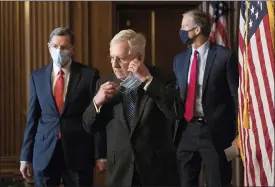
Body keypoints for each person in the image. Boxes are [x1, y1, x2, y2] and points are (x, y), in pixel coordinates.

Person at [83, 29, 182, 187]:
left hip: (157, 172)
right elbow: (89, 126)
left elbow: (176, 112)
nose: (114, 65)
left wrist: (147, 80)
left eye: (120, 59)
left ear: (139, 58)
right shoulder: (105, 83)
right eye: (111, 58)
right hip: (120, 173)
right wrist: (97, 101)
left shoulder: (164, 78)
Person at [20, 27, 106, 187]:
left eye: (64, 47)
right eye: (55, 46)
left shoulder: (89, 74)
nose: (59, 51)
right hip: (44, 151)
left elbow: (96, 116)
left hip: (78, 152)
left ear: (72, 49)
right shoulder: (37, 77)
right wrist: (25, 156)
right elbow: (32, 118)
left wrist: (100, 155)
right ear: (48, 46)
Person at [173, 10, 238, 187]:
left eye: (184, 26)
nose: (180, 31)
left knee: (218, 181)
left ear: (197, 30)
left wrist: (238, 134)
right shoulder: (179, 60)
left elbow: (236, 97)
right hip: (187, 130)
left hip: (215, 132)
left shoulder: (225, 56)